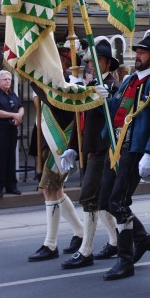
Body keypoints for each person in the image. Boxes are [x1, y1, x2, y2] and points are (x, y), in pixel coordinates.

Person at [97, 34, 150, 281]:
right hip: (115, 149)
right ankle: (143, 239)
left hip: (133, 151)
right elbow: (116, 112)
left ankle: (125, 260)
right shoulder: (128, 81)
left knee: (119, 202)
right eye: (137, 51)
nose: (138, 55)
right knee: (106, 200)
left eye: (143, 52)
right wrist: (104, 99)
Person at [60, 39, 120, 269]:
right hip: (91, 147)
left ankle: (86, 250)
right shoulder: (92, 84)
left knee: (90, 198)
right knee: (101, 200)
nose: (92, 65)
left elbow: (115, 116)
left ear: (107, 63)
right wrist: (73, 146)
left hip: (104, 148)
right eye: (90, 62)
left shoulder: (112, 87)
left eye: (98, 61)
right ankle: (116, 241)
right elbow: (80, 120)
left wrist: (106, 99)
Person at [27, 44, 85, 261]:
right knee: (53, 190)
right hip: (52, 145)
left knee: (50, 190)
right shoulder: (53, 84)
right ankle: (80, 232)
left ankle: (51, 245)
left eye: (57, 59)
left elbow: (49, 98)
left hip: (62, 146)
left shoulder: (66, 85)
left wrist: (30, 72)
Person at [0, 70, 24, 198]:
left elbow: (20, 106)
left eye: (9, 79)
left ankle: (11, 186)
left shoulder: (12, 94)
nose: (8, 81)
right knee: (0, 158)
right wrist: (14, 115)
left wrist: (19, 115)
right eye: (5, 79)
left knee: (11, 157)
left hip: (12, 129)